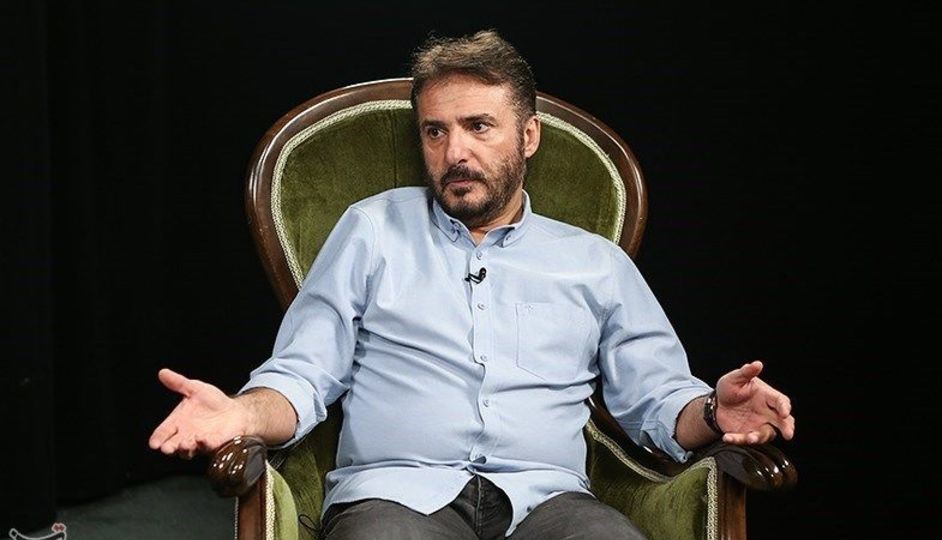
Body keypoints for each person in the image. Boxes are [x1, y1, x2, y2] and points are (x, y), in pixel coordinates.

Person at [149, 30, 795, 540]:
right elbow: (303, 373)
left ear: (528, 136)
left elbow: (657, 399)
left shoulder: (594, 264)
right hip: (396, 498)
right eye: (436, 131)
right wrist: (240, 413)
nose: (454, 152)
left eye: (478, 127)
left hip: (548, 503)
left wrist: (715, 413)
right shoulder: (371, 231)